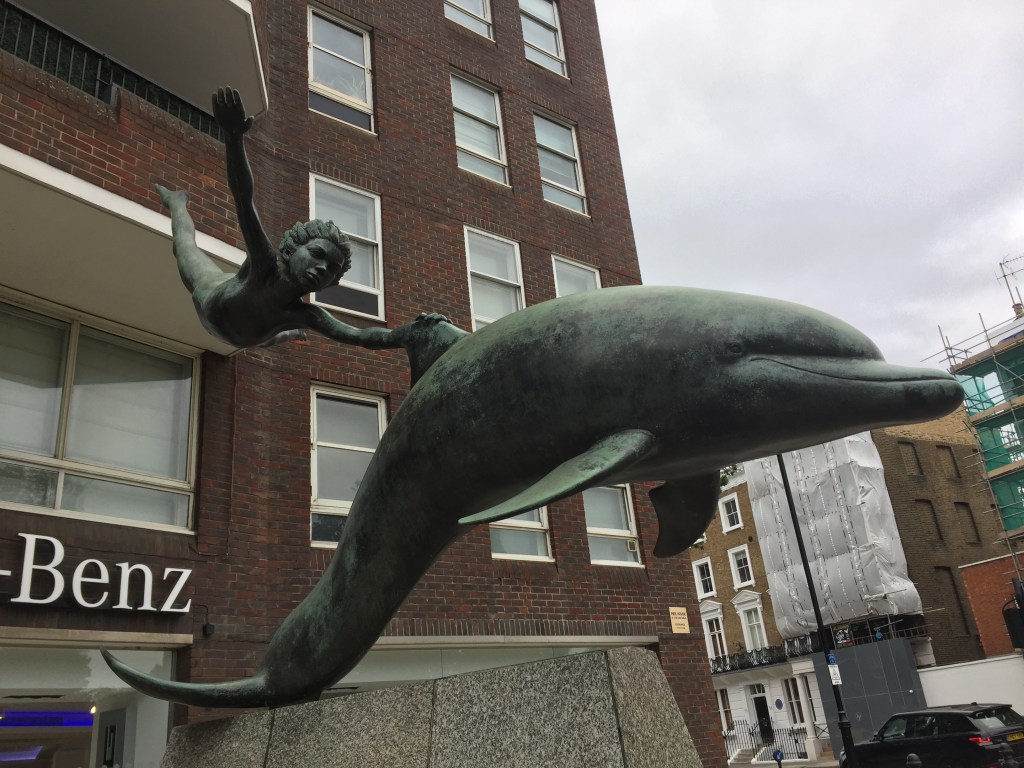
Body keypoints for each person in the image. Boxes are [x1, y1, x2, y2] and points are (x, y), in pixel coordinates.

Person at [160, 87, 467, 380]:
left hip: (248, 332)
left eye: (331, 270)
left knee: (271, 333)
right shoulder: (264, 264)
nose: (322, 269)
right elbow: (243, 198)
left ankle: (283, 334)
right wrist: (233, 138)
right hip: (211, 298)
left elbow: (362, 336)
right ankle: (177, 201)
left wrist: (410, 333)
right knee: (184, 245)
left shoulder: (308, 314)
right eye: (318, 254)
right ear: (292, 250)